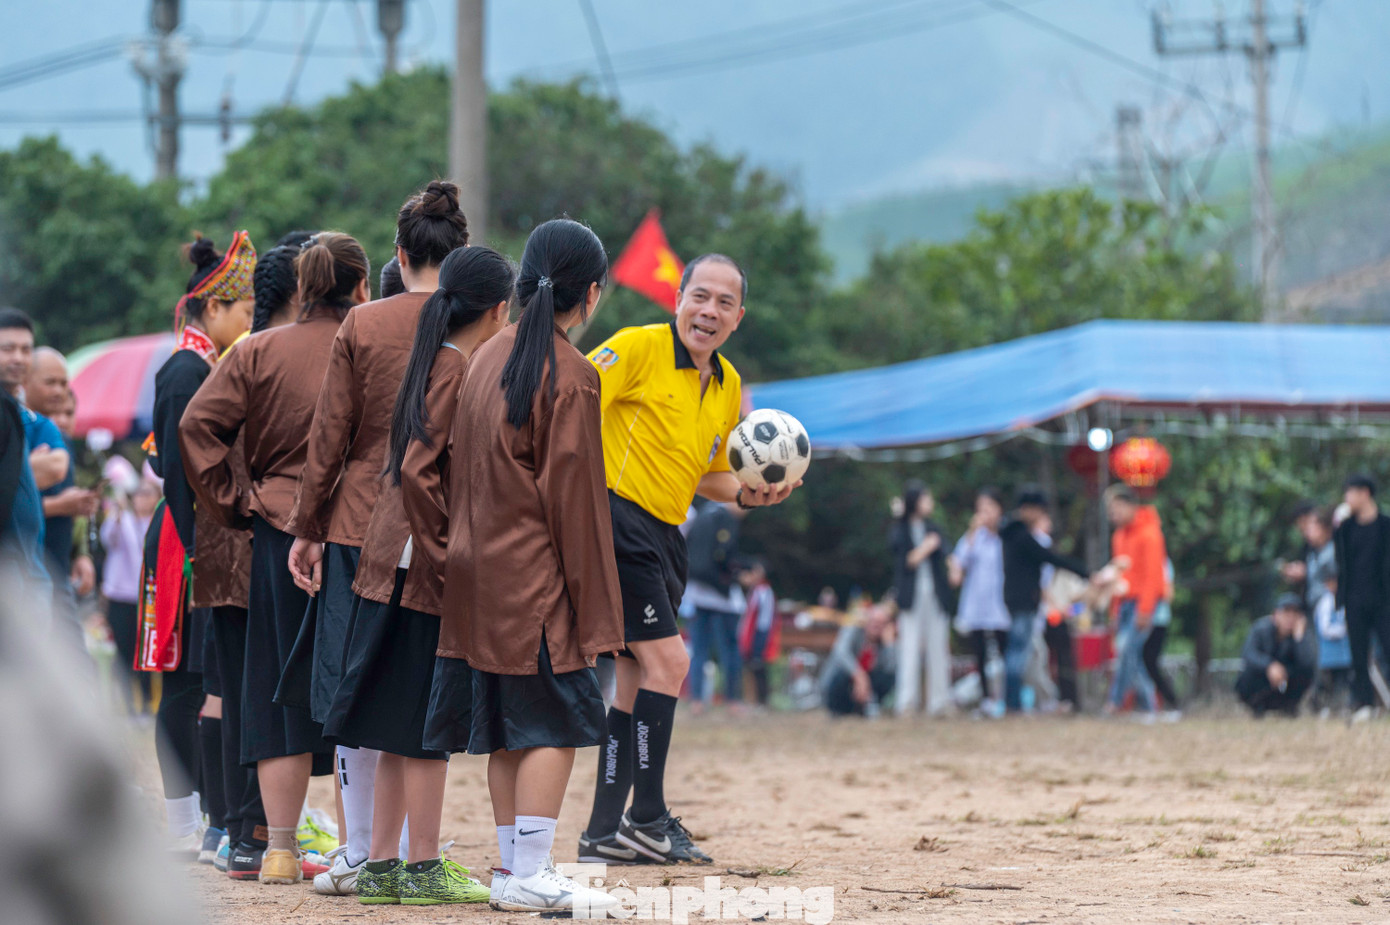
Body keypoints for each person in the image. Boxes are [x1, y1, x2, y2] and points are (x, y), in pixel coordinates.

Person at [421, 219, 621, 914]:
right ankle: (533, 868)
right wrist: (597, 610)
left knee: (508, 727)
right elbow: (577, 508)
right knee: (556, 724)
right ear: (590, 294)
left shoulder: (486, 355)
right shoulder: (572, 375)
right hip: (537, 583)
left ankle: (513, 867)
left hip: (476, 577)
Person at [578, 252, 794, 867]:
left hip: (666, 535)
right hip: (617, 521)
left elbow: (710, 476)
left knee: (632, 681)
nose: (710, 311)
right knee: (671, 661)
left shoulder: (728, 384)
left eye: (725, 303)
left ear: (738, 317)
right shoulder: (637, 347)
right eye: (701, 296)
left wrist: (753, 493)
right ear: (679, 298)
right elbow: (571, 404)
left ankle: (601, 832)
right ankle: (646, 817)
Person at [285, 184, 469, 893]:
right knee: (413, 690)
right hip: (436, 528)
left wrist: (307, 528)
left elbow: (326, 437)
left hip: (354, 524)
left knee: (351, 686)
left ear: (399, 254)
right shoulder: (471, 324)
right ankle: (402, 848)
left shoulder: (360, 325)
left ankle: (359, 846)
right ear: (461, 255)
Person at [325, 245, 513, 905]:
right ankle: (424, 865)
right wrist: (443, 549)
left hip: (393, 555)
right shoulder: (456, 367)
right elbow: (416, 465)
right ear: (497, 309)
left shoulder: (439, 357)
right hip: (417, 564)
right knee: (426, 723)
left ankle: (381, 865)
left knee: (398, 718)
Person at [180, 232, 368, 885]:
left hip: (277, 530)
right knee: (359, 688)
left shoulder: (256, 350)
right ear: (362, 287)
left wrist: (236, 503)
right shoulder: (373, 344)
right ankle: (359, 846)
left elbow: (196, 429)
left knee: (271, 686)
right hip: (357, 529)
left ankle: (279, 849)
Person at [145, 234, 255, 857]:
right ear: (213, 309)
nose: (247, 322)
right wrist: (196, 552)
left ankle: (204, 817)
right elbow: (183, 474)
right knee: (188, 682)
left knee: (198, 679)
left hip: (194, 535)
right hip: (187, 537)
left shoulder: (198, 365)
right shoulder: (187, 370)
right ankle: (185, 820)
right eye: (241, 311)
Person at [999, 488, 1089, 713]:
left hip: (1016, 599)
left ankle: (1014, 701)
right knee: (1018, 653)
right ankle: (1013, 702)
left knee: (1020, 652)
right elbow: (1049, 558)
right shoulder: (1021, 536)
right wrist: (1084, 572)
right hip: (1024, 601)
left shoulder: (1011, 534)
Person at [890, 481, 954, 717]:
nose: (930, 503)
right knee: (909, 647)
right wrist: (925, 548)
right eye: (926, 498)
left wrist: (953, 568)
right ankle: (906, 702)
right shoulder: (901, 529)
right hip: (911, 596)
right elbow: (904, 559)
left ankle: (939, 701)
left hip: (935, 595)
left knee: (939, 648)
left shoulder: (933, 528)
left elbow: (947, 553)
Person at [1103, 485, 1165, 717]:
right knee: (1129, 655)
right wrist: (1114, 610)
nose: (1113, 513)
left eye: (1117, 507)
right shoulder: (1119, 536)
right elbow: (1119, 577)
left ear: (1131, 505)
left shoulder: (1149, 533)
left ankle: (1114, 702)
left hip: (1143, 603)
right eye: (1110, 509)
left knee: (1128, 652)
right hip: (1125, 602)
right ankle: (1150, 705)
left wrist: (1146, 608)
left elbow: (1153, 575)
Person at [100, 478, 160, 715]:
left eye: (146, 493)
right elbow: (109, 539)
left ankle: (146, 703)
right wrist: (117, 515)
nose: (140, 498)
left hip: (147, 598)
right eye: (138, 493)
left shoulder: (156, 523)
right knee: (123, 652)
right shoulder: (123, 520)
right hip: (120, 597)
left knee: (145, 653)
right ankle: (126, 705)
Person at [1334, 473, 1390, 722]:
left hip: (1383, 601)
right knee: (1358, 655)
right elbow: (1341, 564)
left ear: (1365, 493)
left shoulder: (1385, 525)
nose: (1347, 498)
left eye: (1351, 491)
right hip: (1355, 601)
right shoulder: (1345, 529)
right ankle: (1365, 704)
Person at [684, 501, 748, 713]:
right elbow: (723, 557)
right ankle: (733, 700)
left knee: (699, 649)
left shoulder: (704, 512)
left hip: (696, 591)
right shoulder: (725, 518)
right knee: (729, 649)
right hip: (719, 594)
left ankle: (697, 701)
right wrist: (738, 577)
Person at [1284, 505, 1349, 712]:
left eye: (1312, 526)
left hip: (1331, 614)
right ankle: (1323, 701)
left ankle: (1337, 700)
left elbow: (1335, 581)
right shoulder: (1313, 552)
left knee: (1334, 657)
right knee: (1318, 657)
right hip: (1315, 611)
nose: (1307, 531)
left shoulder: (1333, 550)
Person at [949, 488, 1008, 712]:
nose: (985, 513)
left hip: (1001, 604)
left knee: (1004, 652)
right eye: (980, 509)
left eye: (989, 508)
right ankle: (985, 699)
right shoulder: (973, 538)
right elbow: (959, 562)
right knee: (980, 654)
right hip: (977, 605)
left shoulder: (1006, 536)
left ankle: (1003, 697)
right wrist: (972, 533)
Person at [1236, 594, 1319, 716]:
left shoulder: (1301, 635)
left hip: (1287, 681)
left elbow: (1307, 663)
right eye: (1286, 613)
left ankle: (1288, 707)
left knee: (1305, 673)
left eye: (1295, 613)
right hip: (1262, 678)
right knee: (1248, 673)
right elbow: (1248, 653)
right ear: (1276, 615)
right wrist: (1270, 665)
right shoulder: (1260, 629)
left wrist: (1299, 639)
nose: (1290, 618)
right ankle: (1257, 706)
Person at [820, 605, 898, 717]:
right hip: (845, 682)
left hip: (868, 688)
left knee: (887, 677)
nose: (876, 626)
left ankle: (867, 707)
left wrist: (890, 644)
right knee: (840, 673)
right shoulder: (853, 630)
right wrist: (859, 675)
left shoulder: (884, 644)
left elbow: (891, 668)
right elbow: (841, 652)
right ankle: (837, 710)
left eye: (881, 623)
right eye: (874, 621)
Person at [737, 558, 779, 708]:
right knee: (750, 668)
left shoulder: (764, 591)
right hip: (751, 636)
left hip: (759, 636)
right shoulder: (755, 591)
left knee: (759, 668)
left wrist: (760, 642)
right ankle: (752, 699)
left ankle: (763, 700)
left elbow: (765, 620)